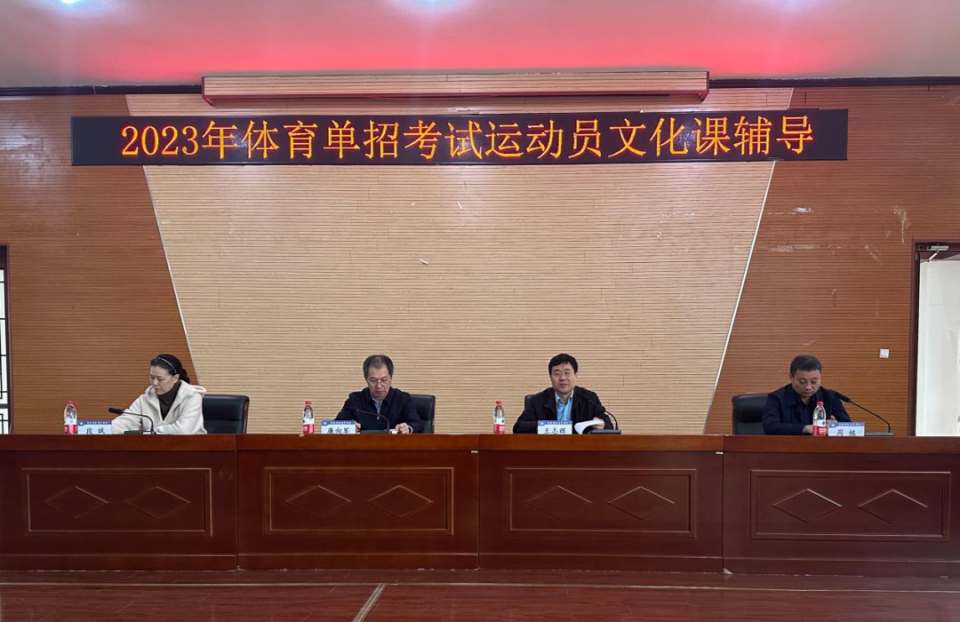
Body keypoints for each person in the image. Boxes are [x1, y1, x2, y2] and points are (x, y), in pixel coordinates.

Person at [513, 353, 612, 434]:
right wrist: (549, 426)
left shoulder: (589, 398)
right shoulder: (537, 401)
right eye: (557, 374)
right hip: (547, 449)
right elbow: (519, 427)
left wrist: (602, 425)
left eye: (567, 373)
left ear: (576, 375)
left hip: (580, 449)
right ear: (550, 377)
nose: (562, 378)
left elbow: (609, 426)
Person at [111, 354, 207, 434]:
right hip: (156, 448)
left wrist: (150, 433)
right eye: (152, 377)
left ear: (175, 378)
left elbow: (183, 430)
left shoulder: (192, 397)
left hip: (190, 448)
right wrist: (106, 429)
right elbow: (127, 421)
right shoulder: (145, 398)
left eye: (160, 379)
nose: (155, 383)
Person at [762, 354, 851, 435]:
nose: (808, 387)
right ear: (791, 377)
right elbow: (770, 427)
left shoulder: (830, 397)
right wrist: (805, 428)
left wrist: (837, 426)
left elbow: (849, 428)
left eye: (814, 381)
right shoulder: (776, 398)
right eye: (802, 382)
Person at [336, 354, 423, 433]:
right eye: (373, 380)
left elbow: (418, 424)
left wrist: (408, 428)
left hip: (394, 445)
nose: (379, 386)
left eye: (384, 380)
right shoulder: (355, 400)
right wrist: (348, 427)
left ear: (390, 378)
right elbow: (335, 425)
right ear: (366, 379)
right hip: (363, 445)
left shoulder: (403, 399)